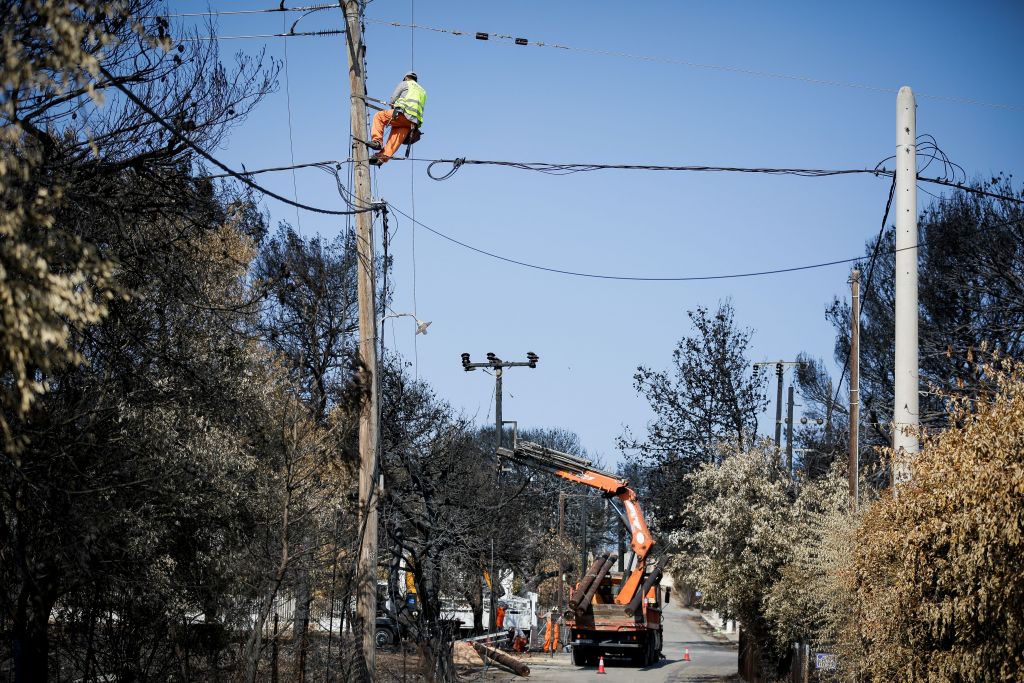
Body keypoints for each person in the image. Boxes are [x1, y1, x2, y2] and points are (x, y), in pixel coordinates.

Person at [367, 71, 426, 165]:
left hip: (403, 115)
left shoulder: (405, 83)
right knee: (394, 140)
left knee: (379, 116)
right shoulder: (423, 91)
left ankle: (377, 141)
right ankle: (380, 159)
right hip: (412, 123)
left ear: (406, 77)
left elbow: (393, 99)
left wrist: (393, 107)